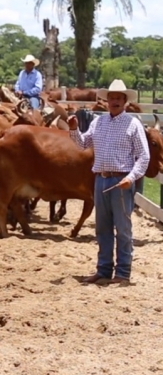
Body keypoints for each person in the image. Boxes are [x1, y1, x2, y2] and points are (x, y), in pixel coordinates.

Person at [68, 79, 150, 284]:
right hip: (101, 179)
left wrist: (131, 178)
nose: (114, 101)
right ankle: (103, 270)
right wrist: (73, 129)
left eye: (118, 98)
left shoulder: (133, 124)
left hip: (121, 179)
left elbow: (144, 156)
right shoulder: (98, 122)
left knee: (122, 227)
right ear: (106, 101)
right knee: (102, 227)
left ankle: (123, 272)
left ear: (125, 102)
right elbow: (82, 143)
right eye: (111, 98)